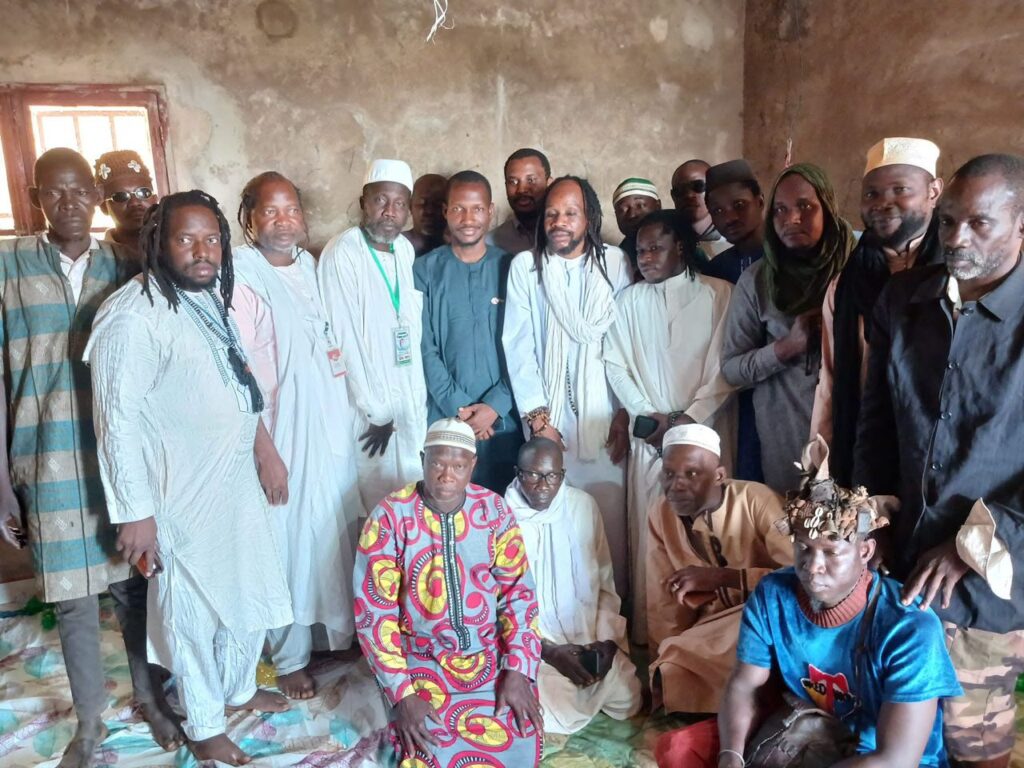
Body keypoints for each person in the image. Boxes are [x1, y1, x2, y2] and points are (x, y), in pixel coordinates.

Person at [86, 190, 293, 766]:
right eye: (186, 240)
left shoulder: (207, 297)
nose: (203, 252)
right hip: (178, 490)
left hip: (234, 479)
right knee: (192, 609)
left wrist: (265, 451)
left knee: (248, 587)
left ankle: (238, 689)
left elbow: (238, 383)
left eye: (212, 240)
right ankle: (204, 723)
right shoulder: (132, 315)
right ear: (159, 244)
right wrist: (135, 513)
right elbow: (116, 422)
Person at [0, 148, 177, 768]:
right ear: (36, 198)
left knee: (133, 587)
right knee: (71, 598)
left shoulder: (124, 266)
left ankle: (151, 698)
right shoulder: (8, 265)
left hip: (115, 455)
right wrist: (1, 484)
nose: (69, 203)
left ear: (96, 200)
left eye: (80, 192)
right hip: (43, 455)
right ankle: (90, 720)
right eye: (55, 192)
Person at [854, 154, 1024, 768]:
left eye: (980, 223)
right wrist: (870, 517)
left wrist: (971, 545)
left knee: (969, 739)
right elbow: (876, 424)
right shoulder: (904, 300)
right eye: (949, 221)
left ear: (1022, 223)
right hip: (901, 567)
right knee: (894, 737)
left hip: (987, 582)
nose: (956, 238)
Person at [716, 438, 962, 768]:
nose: (812, 566)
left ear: (865, 552)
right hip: (815, 736)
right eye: (803, 548)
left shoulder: (911, 628)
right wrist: (730, 756)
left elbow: (895, 760)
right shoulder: (773, 596)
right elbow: (744, 685)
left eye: (831, 552)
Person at [232, 171, 361, 699]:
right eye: (270, 211)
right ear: (249, 220)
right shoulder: (241, 277)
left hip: (326, 427)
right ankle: (287, 658)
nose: (284, 221)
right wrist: (265, 451)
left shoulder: (308, 266)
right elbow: (238, 374)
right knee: (283, 542)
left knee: (325, 533)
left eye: (292, 210)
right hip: (280, 432)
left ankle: (325, 637)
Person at [354, 418, 543, 766]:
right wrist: (402, 694)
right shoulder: (389, 517)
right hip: (420, 661)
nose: (447, 476)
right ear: (422, 459)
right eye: (438, 463)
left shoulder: (493, 510)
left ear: (473, 465)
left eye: (458, 466)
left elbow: (518, 593)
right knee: (425, 750)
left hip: (488, 656)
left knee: (519, 736)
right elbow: (374, 613)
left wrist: (518, 670)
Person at [603, 210, 734, 642]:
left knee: (710, 530)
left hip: (707, 430)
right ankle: (658, 638)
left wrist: (687, 420)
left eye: (655, 248)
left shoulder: (720, 293)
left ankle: (714, 636)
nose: (645, 258)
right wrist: (647, 417)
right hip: (650, 436)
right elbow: (615, 363)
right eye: (640, 251)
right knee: (654, 534)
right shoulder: (628, 301)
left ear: (680, 246)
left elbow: (724, 365)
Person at [503, 175, 632, 597]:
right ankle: (555, 617)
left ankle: (607, 615)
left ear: (588, 217)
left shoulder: (614, 264)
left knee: (607, 524)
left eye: (570, 213)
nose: (559, 222)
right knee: (554, 526)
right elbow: (518, 346)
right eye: (552, 214)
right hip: (548, 424)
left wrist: (623, 412)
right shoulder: (527, 268)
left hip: (604, 418)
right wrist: (539, 422)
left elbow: (625, 341)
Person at [809, 138, 943, 485]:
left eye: (900, 189)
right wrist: (820, 466)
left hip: (939, 457)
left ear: (934, 192)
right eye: (872, 193)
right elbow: (831, 379)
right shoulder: (846, 285)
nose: (883, 203)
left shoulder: (958, 276)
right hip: (866, 452)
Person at [721, 163, 854, 492]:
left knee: (857, 520)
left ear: (828, 208)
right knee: (792, 523)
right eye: (780, 209)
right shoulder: (758, 281)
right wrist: (786, 348)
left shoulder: (857, 271)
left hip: (855, 436)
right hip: (789, 445)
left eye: (805, 206)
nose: (791, 218)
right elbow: (732, 370)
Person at [647, 424, 791, 715]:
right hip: (710, 627)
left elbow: (799, 577)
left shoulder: (756, 500)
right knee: (673, 664)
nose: (676, 485)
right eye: (669, 474)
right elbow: (662, 600)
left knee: (740, 644)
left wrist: (725, 578)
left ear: (719, 475)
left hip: (765, 614)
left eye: (691, 473)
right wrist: (659, 660)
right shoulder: (660, 513)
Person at [505, 437, 641, 734]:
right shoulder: (500, 516)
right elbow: (498, 605)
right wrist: (549, 651)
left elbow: (604, 582)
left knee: (628, 698)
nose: (543, 486)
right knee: (551, 706)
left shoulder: (582, 505)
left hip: (587, 637)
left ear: (562, 475)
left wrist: (605, 643)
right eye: (533, 475)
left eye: (552, 476)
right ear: (518, 474)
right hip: (536, 649)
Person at [318, 159, 427, 511]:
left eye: (399, 203)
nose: (389, 212)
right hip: (369, 412)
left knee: (412, 506)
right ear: (363, 203)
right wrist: (376, 412)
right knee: (379, 510)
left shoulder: (404, 250)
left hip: (407, 403)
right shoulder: (343, 252)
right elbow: (344, 338)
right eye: (381, 200)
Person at [414, 170, 523, 493]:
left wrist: (495, 406)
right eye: (458, 209)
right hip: (445, 416)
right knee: (446, 501)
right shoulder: (425, 270)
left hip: (503, 421)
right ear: (445, 211)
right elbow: (424, 346)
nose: (468, 219)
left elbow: (524, 345)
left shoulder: (512, 268)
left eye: (477, 209)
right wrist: (459, 408)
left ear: (490, 212)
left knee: (501, 505)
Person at [703, 159, 767, 485]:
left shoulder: (785, 258)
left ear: (760, 201)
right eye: (717, 211)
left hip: (780, 391)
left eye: (739, 205)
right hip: (733, 395)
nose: (729, 217)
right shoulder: (716, 269)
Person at [94, 149, 158, 260]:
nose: (134, 202)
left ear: (155, 199)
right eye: (121, 196)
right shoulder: (96, 260)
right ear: (104, 207)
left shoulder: (176, 248)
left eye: (143, 193)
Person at [490, 147, 550, 255]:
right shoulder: (491, 243)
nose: (521, 189)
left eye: (531, 180)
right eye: (513, 182)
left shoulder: (566, 234)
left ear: (549, 183)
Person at [670, 159, 729, 261]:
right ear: (673, 196)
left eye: (698, 186)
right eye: (681, 190)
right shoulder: (665, 243)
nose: (689, 195)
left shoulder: (736, 240)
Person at [611, 177, 661, 272]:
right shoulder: (616, 260)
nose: (632, 215)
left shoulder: (680, 243)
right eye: (623, 210)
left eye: (640, 205)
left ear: (658, 206)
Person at [406, 173, 448, 257]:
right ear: (410, 205)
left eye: (438, 204)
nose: (429, 211)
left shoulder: (458, 250)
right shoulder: (395, 246)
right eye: (422, 203)